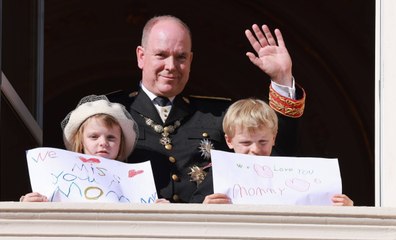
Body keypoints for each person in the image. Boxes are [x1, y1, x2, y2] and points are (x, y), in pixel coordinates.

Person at [110, 15, 306, 203]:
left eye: (181, 57)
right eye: (161, 55)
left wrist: (282, 77)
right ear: (141, 56)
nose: (171, 66)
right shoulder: (109, 111)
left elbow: (275, 153)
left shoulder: (219, 114)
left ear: (190, 60)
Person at [200, 98, 353, 206]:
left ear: (273, 138)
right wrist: (203, 207)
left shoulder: (292, 171)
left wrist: (346, 210)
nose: (255, 150)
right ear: (229, 141)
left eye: (263, 142)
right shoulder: (218, 175)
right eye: (246, 142)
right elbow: (189, 219)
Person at [19, 95, 168, 202]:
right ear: (80, 141)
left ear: (120, 144)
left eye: (111, 138)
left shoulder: (135, 182)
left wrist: (155, 208)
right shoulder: (58, 174)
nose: (103, 143)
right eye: (94, 137)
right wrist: (29, 205)